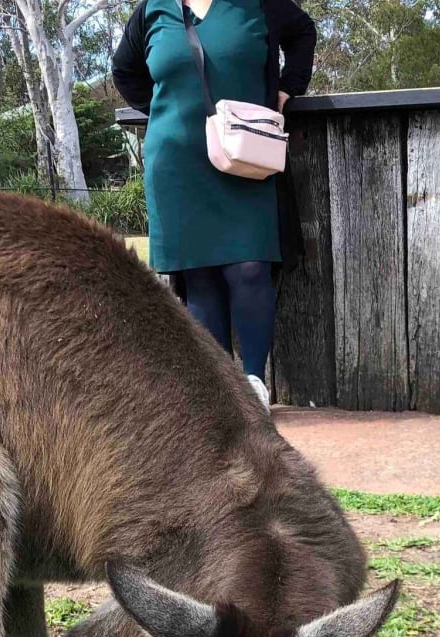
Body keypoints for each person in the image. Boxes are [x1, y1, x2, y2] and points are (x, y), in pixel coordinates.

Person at [113, 0, 316, 410]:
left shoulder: (258, 4)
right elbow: (124, 71)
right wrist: (164, 110)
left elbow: (303, 34)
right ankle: (223, 395)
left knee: (250, 266)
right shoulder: (152, 9)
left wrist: (286, 89)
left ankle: (254, 383)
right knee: (200, 276)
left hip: (246, 155)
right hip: (176, 162)